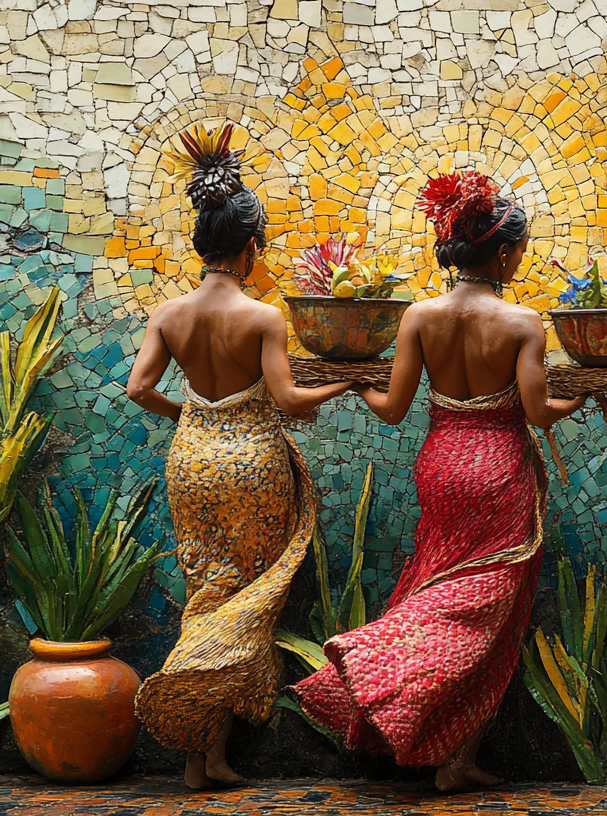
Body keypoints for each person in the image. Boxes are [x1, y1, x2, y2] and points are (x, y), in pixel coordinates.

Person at [290, 171, 585, 792]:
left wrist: (350, 380)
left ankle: (457, 756)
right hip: (500, 466)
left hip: (442, 462)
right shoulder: (523, 322)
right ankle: (373, 657)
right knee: (488, 610)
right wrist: (578, 400)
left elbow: (393, 407)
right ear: (503, 253)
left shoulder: (420, 316)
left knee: (440, 580)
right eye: (521, 249)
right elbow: (537, 410)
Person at [127, 123, 354, 790]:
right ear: (252, 246)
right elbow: (287, 399)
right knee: (250, 599)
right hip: (254, 464)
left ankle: (203, 755)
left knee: (209, 590)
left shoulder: (170, 313)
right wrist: (352, 381)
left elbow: (140, 388)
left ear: (203, 244)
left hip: (191, 461)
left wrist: (193, 417)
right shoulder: (263, 317)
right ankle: (208, 748)